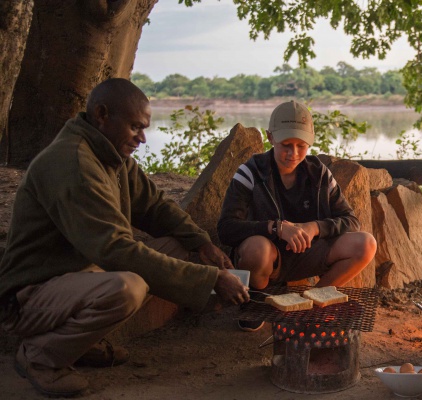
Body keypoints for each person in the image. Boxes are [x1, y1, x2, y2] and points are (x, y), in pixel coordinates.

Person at [0, 78, 249, 397]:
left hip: (75, 277)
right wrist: (210, 279)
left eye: (144, 128)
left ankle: (77, 342)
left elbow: (155, 207)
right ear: (102, 114)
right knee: (128, 288)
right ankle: (40, 357)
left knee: (176, 246)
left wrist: (202, 244)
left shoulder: (110, 156)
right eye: (135, 127)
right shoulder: (74, 165)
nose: (142, 138)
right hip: (29, 297)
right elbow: (116, 251)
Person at [217, 100, 377, 331]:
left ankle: (314, 299)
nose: (293, 153)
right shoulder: (251, 172)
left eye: (301, 145)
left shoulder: (319, 173)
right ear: (270, 137)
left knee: (366, 243)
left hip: (309, 253)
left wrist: (314, 227)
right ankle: (260, 299)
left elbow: (350, 220)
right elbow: (226, 228)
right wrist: (276, 227)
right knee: (256, 250)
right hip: (269, 258)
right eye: (286, 145)